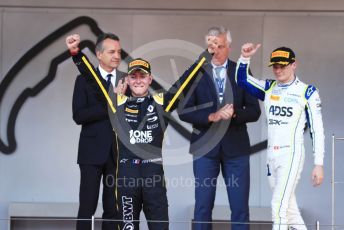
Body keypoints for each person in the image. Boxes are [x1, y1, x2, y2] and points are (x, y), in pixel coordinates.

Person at [66, 33, 212, 230]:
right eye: (133, 76)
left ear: (150, 79)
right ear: (128, 80)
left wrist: (206, 56)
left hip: (153, 177)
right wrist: (76, 55)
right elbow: (94, 81)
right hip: (127, 178)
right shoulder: (117, 102)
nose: (138, 80)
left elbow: (184, 83)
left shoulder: (161, 102)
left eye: (142, 76)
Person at [178, 26, 261, 230]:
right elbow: (182, 110)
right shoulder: (196, 72)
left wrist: (233, 113)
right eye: (211, 47)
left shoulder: (241, 70)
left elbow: (254, 111)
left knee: (240, 208)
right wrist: (212, 116)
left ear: (229, 47)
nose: (215, 51)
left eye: (220, 46)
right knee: (203, 208)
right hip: (204, 149)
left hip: (236, 149)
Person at [235, 43, 325, 230]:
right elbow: (241, 80)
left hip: (291, 154)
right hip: (271, 156)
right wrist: (245, 57)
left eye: (282, 65)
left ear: (294, 65)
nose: (278, 70)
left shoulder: (307, 92)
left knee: (278, 206)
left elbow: (317, 129)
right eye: (275, 66)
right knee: (289, 209)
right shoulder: (268, 87)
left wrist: (319, 163)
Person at [68, 33, 126, 230]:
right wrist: (112, 103)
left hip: (118, 153)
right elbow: (79, 115)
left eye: (118, 51)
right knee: (87, 207)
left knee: (113, 209)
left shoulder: (126, 81)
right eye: (111, 52)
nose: (116, 55)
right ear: (99, 54)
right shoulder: (83, 80)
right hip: (91, 152)